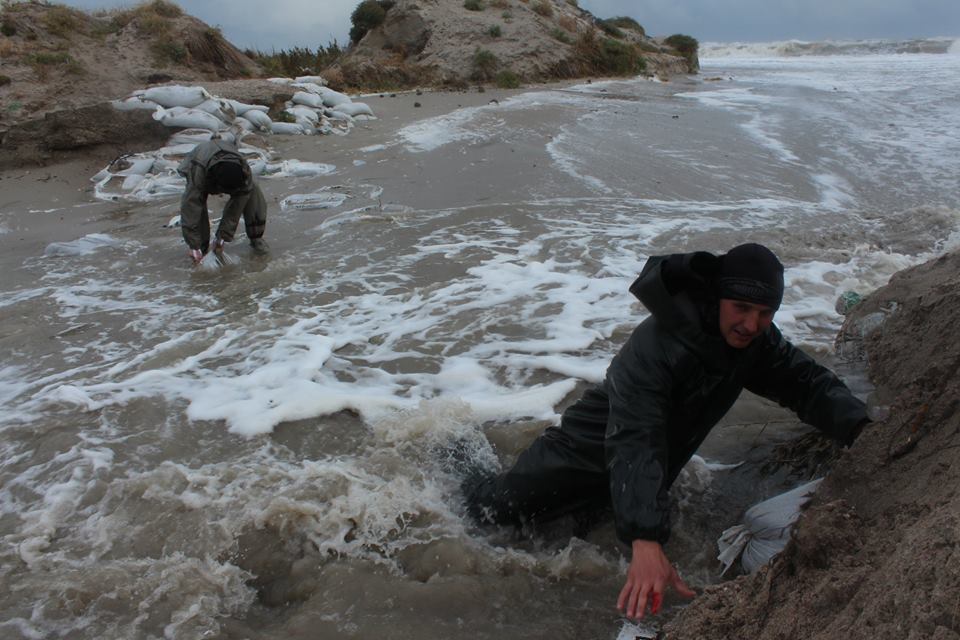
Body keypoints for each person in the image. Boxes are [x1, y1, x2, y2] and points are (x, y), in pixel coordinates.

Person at [464, 243, 869, 621]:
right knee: (487, 513)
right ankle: (455, 447)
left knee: (578, 538)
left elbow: (808, 384)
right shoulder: (657, 344)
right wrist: (644, 538)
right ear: (717, 298)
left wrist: (863, 428)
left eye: (765, 313)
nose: (752, 324)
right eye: (741, 307)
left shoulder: (755, 345)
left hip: (631, 475)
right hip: (573, 459)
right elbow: (635, 435)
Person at [177, 139, 269, 264]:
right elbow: (191, 208)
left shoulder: (244, 172)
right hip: (201, 163)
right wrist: (193, 245)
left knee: (254, 192)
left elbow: (235, 209)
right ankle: (201, 250)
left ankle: (256, 239)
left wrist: (222, 237)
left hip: (228, 170)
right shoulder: (199, 173)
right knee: (196, 205)